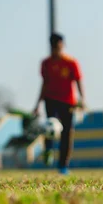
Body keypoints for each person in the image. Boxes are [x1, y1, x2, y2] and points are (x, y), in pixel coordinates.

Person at [33, 33, 85, 175]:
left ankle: (63, 166)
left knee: (66, 134)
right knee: (50, 126)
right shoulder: (46, 63)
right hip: (51, 100)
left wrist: (82, 99)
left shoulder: (71, 63)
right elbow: (44, 83)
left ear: (63, 45)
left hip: (68, 102)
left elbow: (78, 80)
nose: (57, 49)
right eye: (54, 46)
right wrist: (37, 104)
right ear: (51, 46)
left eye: (59, 46)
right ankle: (48, 149)